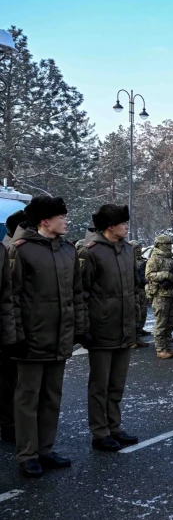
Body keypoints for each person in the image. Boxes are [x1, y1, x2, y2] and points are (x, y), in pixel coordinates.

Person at [9, 196, 84, 477]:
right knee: (27, 399)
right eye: (61, 217)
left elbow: (77, 294)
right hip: (31, 338)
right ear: (45, 221)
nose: (66, 221)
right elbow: (11, 297)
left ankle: (45, 449)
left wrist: (78, 328)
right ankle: (27, 454)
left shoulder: (68, 250)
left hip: (59, 337)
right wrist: (16, 335)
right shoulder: (21, 250)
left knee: (52, 396)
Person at [79, 204, 140, 452]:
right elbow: (81, 293)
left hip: (123, 328)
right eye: (123, 223)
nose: (127, 227)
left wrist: (134, 320)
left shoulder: (128, 250)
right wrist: (84, 328)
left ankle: (114, 426)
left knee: (116, 384)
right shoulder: (90, 252)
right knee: (99, 385)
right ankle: (100, 432)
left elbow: (134, 289)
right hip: (101, 329)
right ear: (110, 227)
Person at [0, 211, 25, 445]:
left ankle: (11, 424)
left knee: (12, 382)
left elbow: (7, 298)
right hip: (13, 326)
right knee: (9, 382)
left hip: (11, 329)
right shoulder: (11, 250)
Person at [146, 235, 173, 359]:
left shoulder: (171, 259)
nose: (169, 246)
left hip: (171, 294)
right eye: (166, 244)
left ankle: (168, 348)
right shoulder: (155, 258)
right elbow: (149, 275)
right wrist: (165, 274)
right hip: (160, 295)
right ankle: (160, 349)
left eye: (170, 244)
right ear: (159, 245)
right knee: (161, 323)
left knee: (170, 323)